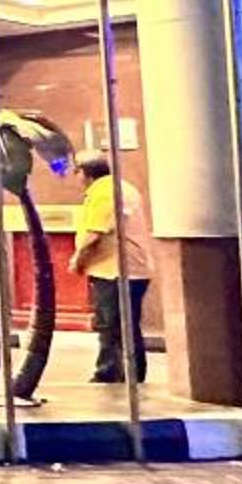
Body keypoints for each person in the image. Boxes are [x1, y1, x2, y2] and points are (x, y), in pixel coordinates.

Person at [69, 155, 153, 384]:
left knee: (111, 325)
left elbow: (94, 232)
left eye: (77, 172)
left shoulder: (103, 192)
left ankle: (108, 372)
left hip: (114, 270)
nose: (75, 177)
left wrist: (78, 259)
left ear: (86, 173)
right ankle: (133, 373)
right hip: (132, 269)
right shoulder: (121, 187)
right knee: (127, 324)